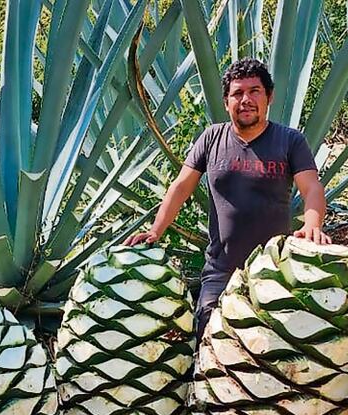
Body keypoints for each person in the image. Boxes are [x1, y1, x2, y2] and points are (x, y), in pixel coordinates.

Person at [127, 58, 330, 339]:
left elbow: (312, 188)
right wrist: (155, 230)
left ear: (269, 97)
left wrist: (313, 224)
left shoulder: (289, 141)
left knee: (272, 350)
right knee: (208, 338)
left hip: (274, 269)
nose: (245, 100)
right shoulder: (212, 138)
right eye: (237, 93)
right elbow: (181, 187)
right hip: (221, 269)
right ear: (226, 102)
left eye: (254, 91)